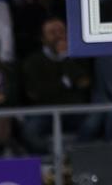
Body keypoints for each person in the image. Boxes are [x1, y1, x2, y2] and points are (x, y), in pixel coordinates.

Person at [20, 18, 93, 152]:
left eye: (61, 31)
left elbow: (84, 83)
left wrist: (65, 57)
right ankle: (55, 158)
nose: (58, 36)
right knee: (30, 131)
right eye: (52, 32)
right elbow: (35, 93)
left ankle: (76, 156)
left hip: (74, 110)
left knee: (92, 125)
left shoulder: (77, 57)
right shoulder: (33, 61)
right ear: (43, 38)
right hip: (44, 111)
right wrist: (66, 83)